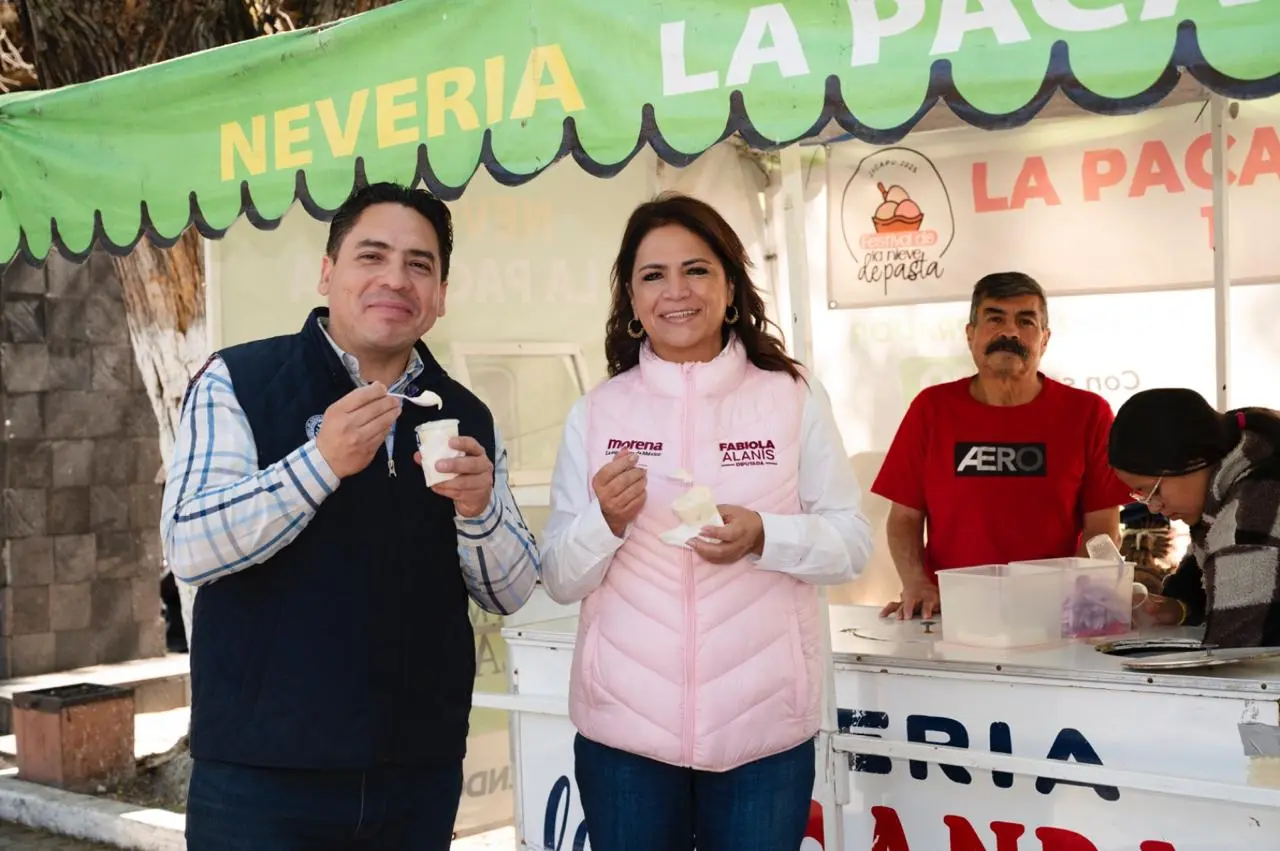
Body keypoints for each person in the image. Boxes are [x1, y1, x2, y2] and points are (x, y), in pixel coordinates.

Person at [160, 182, 540, 850]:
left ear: (442, 294)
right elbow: (190, 544)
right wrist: (321, 462)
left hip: (414, 777)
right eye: (373, 255)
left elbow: (510, 589)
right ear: (328, 270)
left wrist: (478, 510)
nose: (396, 278)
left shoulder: (464, 413)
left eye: (420, 264)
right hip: (262, 778)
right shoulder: (240, 380)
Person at [540, 193, 873, 851]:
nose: (676, 291)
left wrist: (766, 535)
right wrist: (604, 520)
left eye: (696, 269)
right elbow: (558, 574)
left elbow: (851, 543)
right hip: (625, 738)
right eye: (653, 275)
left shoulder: (791, 396)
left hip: (763, 733)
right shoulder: (597, 411)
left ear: (730, 286)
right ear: (630, 300)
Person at [873, 272, 1131, 619]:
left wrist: (1084, 596)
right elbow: (903, 519)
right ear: (970, 334)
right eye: (995, 318)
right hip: (952, 615)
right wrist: (916, 583)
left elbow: (1102, 527)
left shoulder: (1087, 413)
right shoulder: (931, 409)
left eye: (1026, 321)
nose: (1009, 332)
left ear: (1045, 339)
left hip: (1052, 616)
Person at [1109, 388, 1280, 647]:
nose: (1153, 507)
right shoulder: (1229, 470)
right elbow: (1210, 557)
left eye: (1153, 490)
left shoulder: (1259, 497)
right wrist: (1179, 606)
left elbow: (1237, 650)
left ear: (1192, 460)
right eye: (1141, 496)